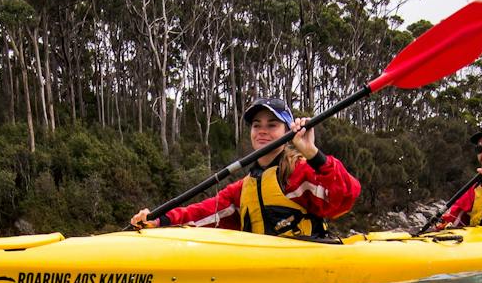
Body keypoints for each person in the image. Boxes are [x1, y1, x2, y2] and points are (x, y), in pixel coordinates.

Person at [130, 98, 361, 237]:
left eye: (272, 125)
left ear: (286, 132)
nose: (262, 130)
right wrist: (159, 220)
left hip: (308, 279)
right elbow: (201, 213)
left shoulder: (298, 172)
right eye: (256, 125)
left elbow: (346, 197)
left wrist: (312, 152)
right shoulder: (244, 188)